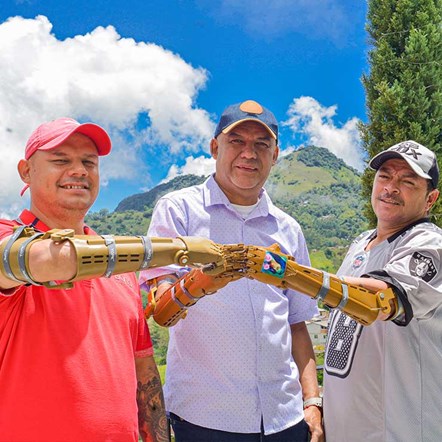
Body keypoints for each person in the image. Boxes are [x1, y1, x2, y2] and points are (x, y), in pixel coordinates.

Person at [140, 100, 324, 441]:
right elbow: (161, 309)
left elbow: (297, 323)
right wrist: (204, 280)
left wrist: (312, 401)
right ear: (215, 147)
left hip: (284, 417)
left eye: (261, 144)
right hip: (205, 417)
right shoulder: (179, 210)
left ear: (275, 155)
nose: (249, 153)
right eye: (236, 141)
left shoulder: (288, 229)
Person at [0, 118, 168, 442]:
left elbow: (145, 373)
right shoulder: (8, 240)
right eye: (61, 160)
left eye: (89, 163)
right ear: (26, 171)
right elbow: (47, 261)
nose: (78, 170)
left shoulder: (122, 269)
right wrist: (178, 250)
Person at [322, 140, 441, 441]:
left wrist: (293, 275)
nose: (391, 187)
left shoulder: (431, 244)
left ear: (431, 199)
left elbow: (379, 299)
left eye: (408, 182)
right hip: (343, 430)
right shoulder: (361, 243)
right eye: (385, 176)